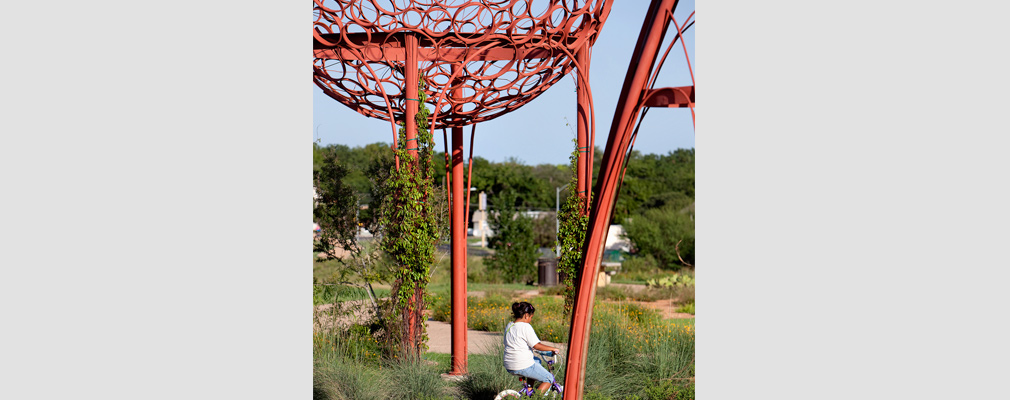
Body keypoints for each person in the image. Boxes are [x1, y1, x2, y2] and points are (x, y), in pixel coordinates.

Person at [503, 301, 562, 394]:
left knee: (537, 361)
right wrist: (552, 349)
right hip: (521, 365)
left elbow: (520, 343)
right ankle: (535, 398)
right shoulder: (525, 326)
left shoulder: (510, 326)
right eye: (531, 317)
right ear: (526, 315)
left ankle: (529, 391)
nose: (531, 319)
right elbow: (536, 345)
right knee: (549, 378)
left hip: (509, 364)